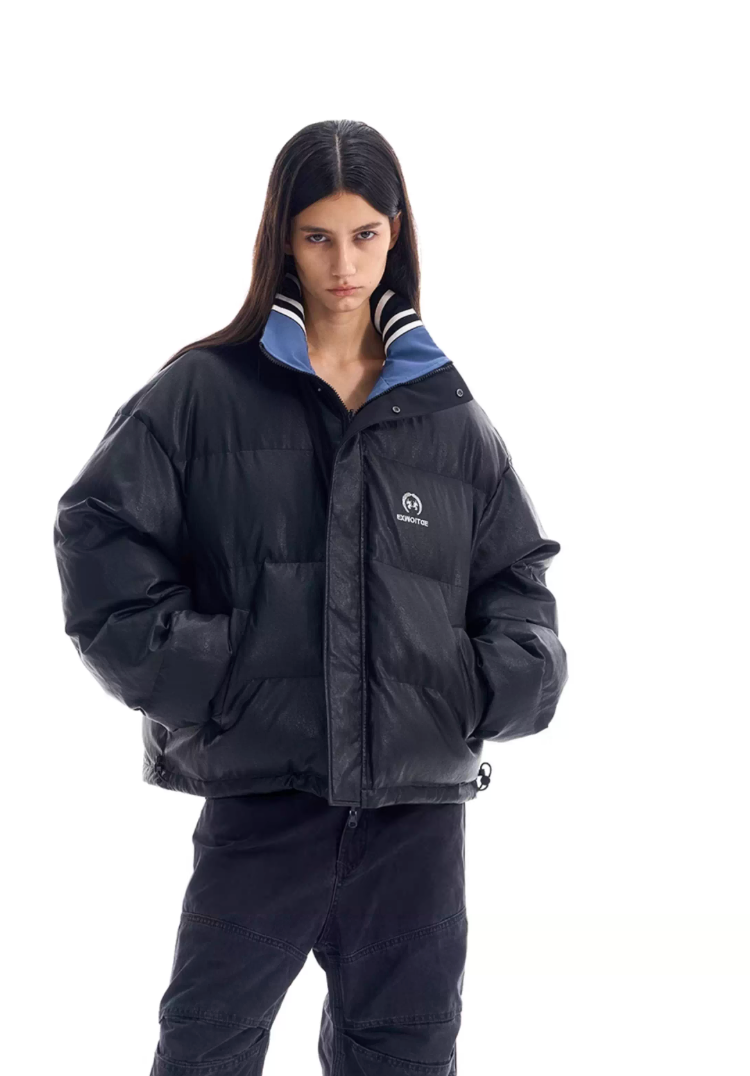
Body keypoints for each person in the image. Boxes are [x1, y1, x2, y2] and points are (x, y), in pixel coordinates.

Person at [53, 118, 568, 1076]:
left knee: (407, 1054)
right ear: (282, 241)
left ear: (395, 234)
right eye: (318, 237)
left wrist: (477, 685)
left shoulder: (448, 413)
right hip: (265, 802)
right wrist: (215, 673)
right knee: (208, 1047)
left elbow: (516, 577)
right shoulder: (204, 392)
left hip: (414, 817)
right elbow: (98, 529)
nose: (344, 264)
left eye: (365, 235)